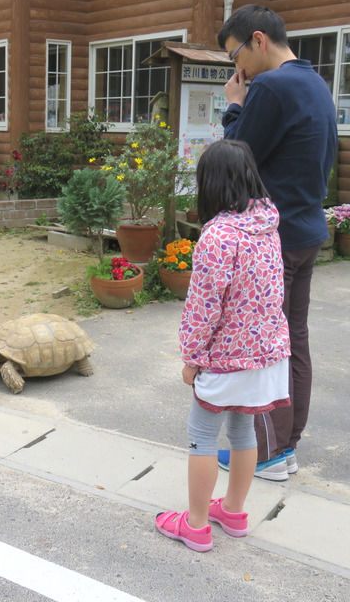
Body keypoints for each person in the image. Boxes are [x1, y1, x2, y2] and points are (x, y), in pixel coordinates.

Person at [216, 4, 338, 481]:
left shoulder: (270, 86)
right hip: (307, 229)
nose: (237, 70)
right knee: (294, 342)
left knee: (265, 346)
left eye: (236, 57)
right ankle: (285, 447)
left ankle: (265, 454)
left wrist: (233, 106)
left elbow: (236, 160)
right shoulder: (315, 82)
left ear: (258, 40)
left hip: (272, 239)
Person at [155, 139, 290, 552]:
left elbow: (203, 308)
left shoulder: (218, 236)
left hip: (225, 358)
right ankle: (232, 511)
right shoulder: (268, 226)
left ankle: (195, 525)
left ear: (209, 184)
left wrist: (191, 360)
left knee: (201, 437)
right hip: (266, 355)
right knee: (243, 430)